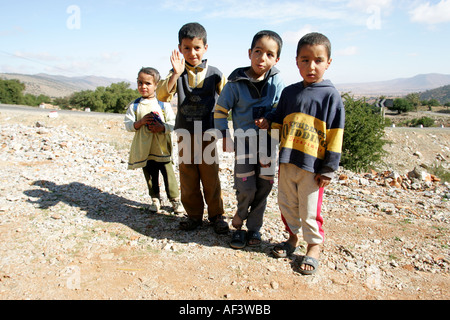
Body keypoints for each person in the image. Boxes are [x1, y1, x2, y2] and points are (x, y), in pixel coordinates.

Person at [264, 32, 345, 275]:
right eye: (305, 60)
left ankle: (314, 247)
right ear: (297, 61)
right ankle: (292, 239)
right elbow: (278, 122)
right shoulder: (289, 93)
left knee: (310, 210)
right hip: (287, 161)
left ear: (328, 63)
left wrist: (329, 169)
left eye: (318, 60)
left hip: (313, 167)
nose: (311, 66)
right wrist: (267, 123)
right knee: (287, 204)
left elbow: (335, 134)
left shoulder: (330, 96)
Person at [156, 22, 229, 234]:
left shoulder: (215, 74)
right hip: (185, 134)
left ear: (205, 47)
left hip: (208, 134)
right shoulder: (175, 73)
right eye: (186, 48)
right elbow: (162, 95)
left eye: (197, 48)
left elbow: (226, 101)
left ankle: (217, 216)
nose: (192, 52)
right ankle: (194, 216)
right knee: (188, 176)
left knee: (210, 177)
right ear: (180, 48)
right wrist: (176, 74)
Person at [214, 30, 285, 249]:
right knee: (245, 187)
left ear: (276, 59)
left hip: (268, 146)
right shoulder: (235, 83)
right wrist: (224, 136)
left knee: (264, 186)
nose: (262, 58)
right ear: (249, 53)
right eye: (258, 51)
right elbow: (220, 110)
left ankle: (253, 227)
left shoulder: (277, 81)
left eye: (269, 54)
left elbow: (280, 109)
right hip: (244, 145)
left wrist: (270, 120)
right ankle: (238, 224)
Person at [124, 67, 183, 214]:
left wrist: (161, 127)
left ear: (156, 85)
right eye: (140, 83)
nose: (143, 86)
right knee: (150, 175)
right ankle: (155, 199)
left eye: (148, 83)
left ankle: (175, 201)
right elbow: (128, 125)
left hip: (162, 149)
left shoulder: (163, 104)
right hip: (145, 149)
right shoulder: (135, 105)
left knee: (168, 174)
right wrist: (141, 122)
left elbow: (173, 123)